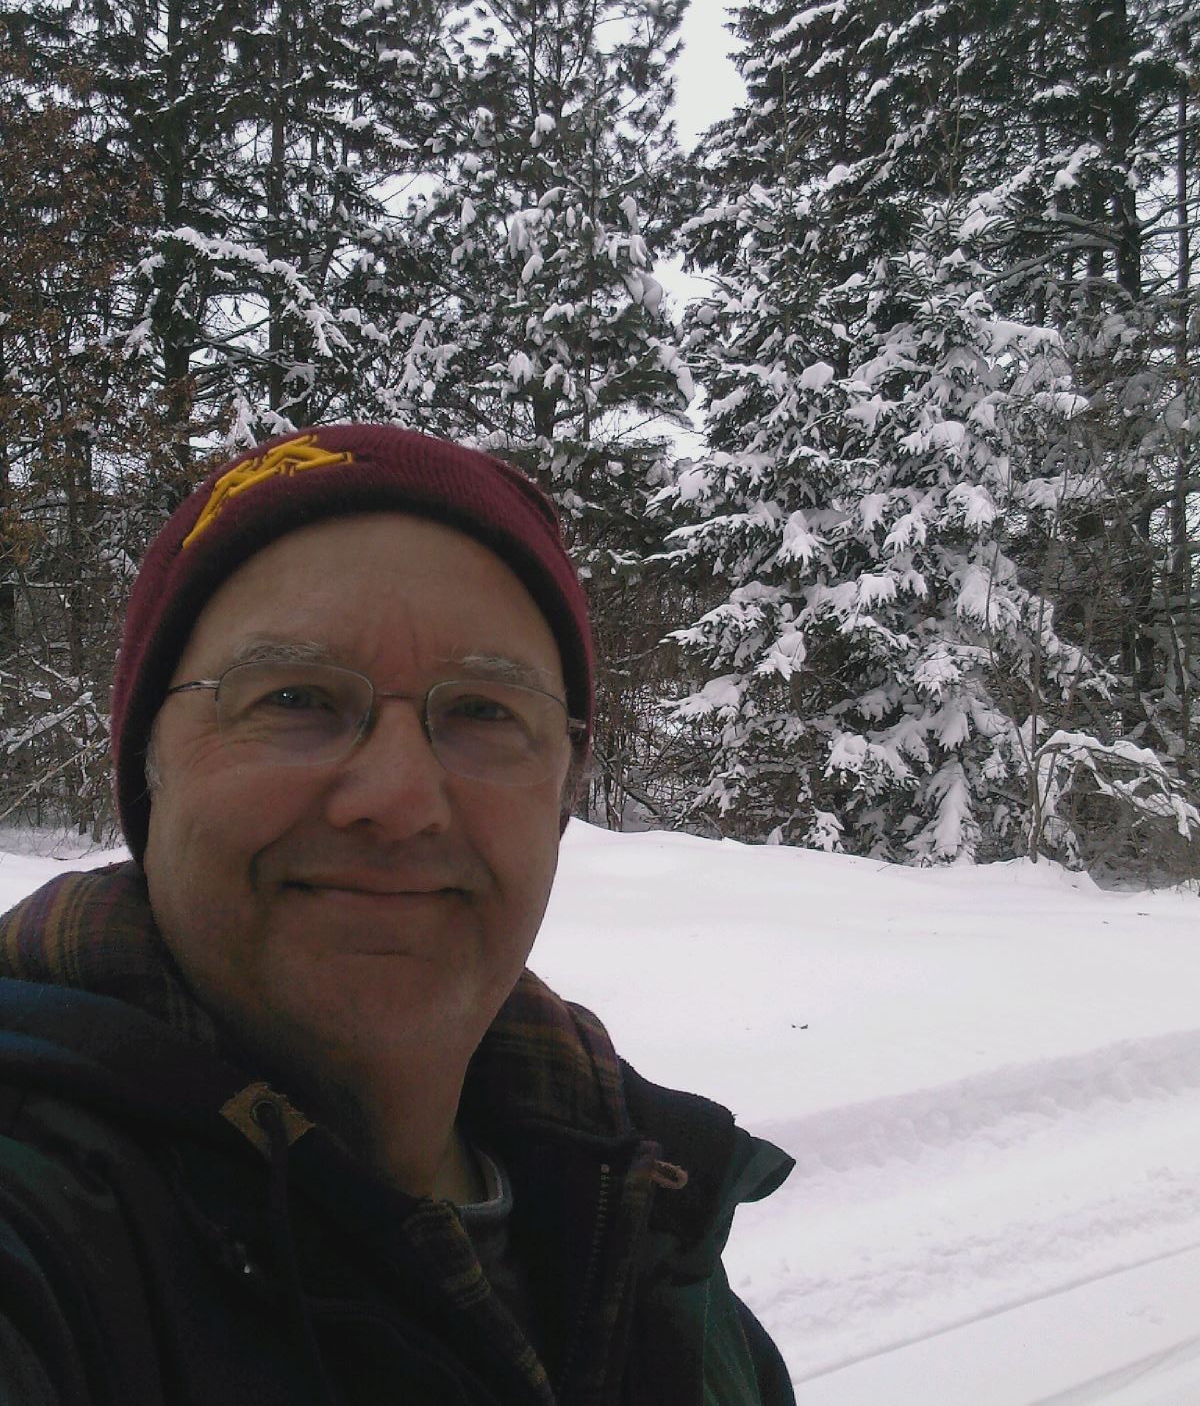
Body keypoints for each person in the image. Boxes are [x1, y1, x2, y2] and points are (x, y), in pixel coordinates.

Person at [0, 424, 794, 1406]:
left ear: (561, 793)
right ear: (147, 772)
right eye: (295, 697)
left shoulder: (651, 1240)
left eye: (485, 711)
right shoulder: (42, 1232)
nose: (400, 797)